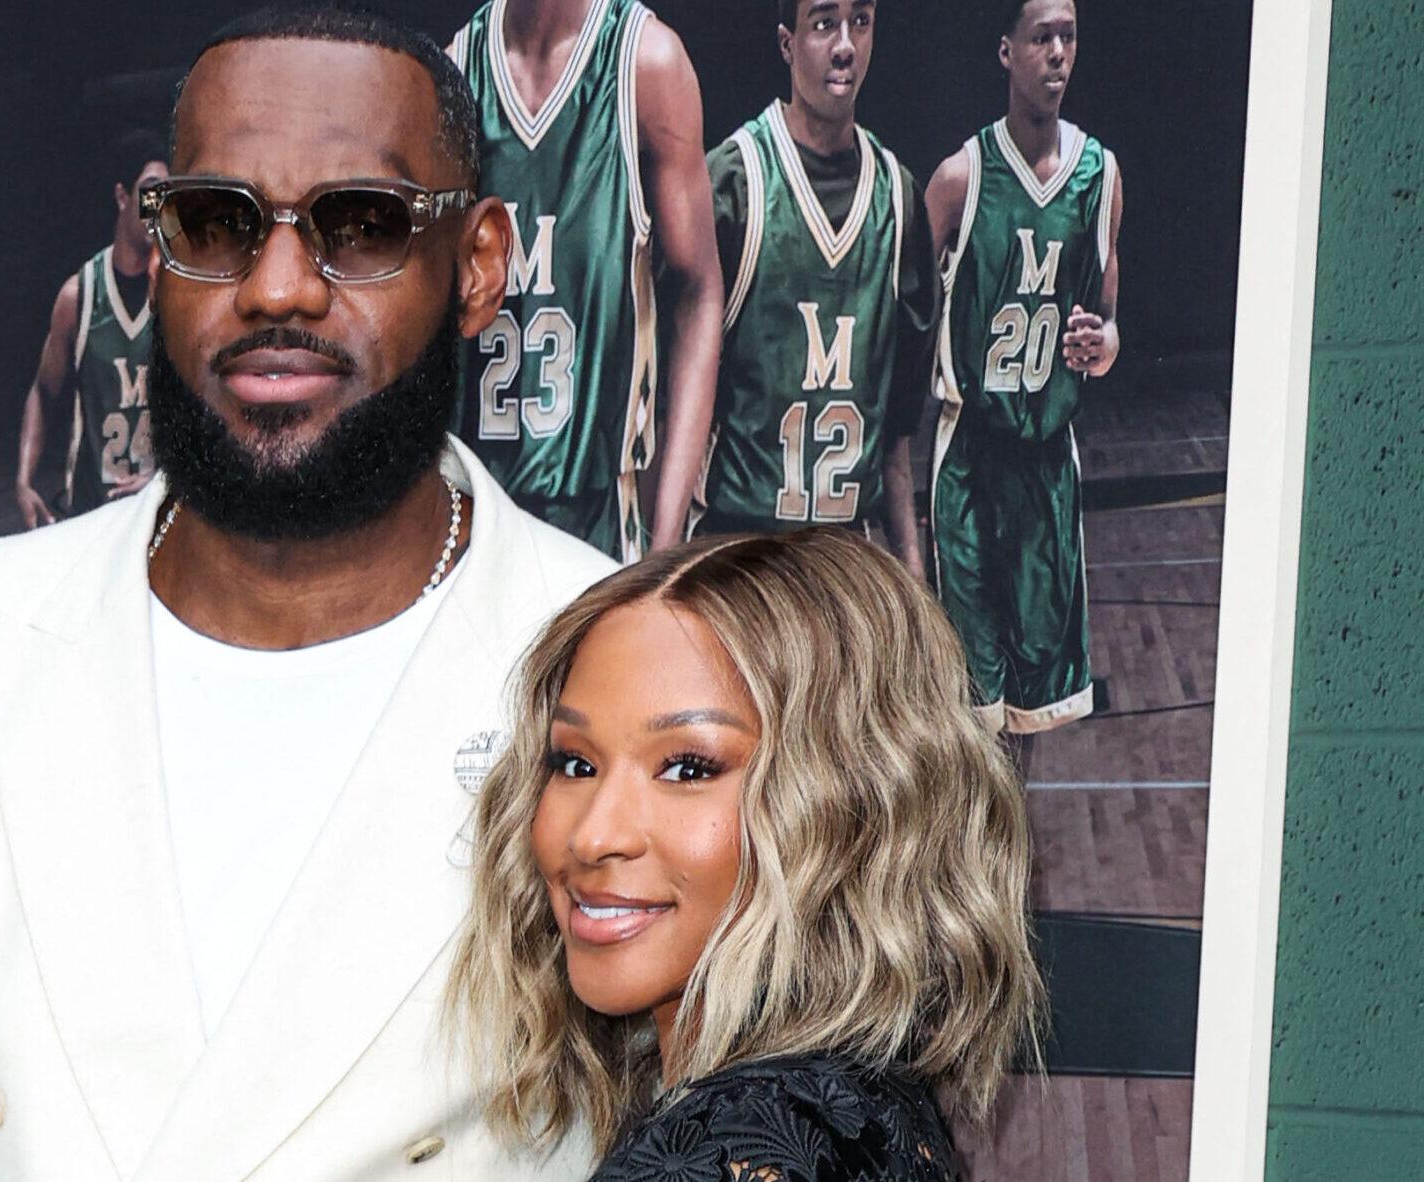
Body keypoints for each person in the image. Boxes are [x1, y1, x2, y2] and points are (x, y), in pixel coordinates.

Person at [0, 7, 612, 1178]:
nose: (279, 287)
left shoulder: (624, 669)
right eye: (217, 222)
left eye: (360, 226)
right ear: (156, 252)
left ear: (480, 264)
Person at [448, 528, 1042, 1180]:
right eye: (575, 762)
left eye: (687, 769)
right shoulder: (854, 1105)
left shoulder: (722, 1148)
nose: (593, 836)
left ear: (848, 806)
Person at [446, 0, 724, 561]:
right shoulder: (457, 69)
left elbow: (700, 292)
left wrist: (665, 540)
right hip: (474, 516)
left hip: (598, 520)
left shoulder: (645, 63)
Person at [924, 0, 1123, 739]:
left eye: (1069, 36)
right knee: (971, 708)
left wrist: (1100, 345)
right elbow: (908, 309)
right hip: (972, 458)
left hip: (1047, 463)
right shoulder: (959, 178)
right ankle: (973, 852)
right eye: (1042, 37)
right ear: (1006, 51)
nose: (1059, 53)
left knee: (1035, 709)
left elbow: (1109, 322)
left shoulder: (1100, 175)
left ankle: (1009, 852)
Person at [687, 0, 935, 571]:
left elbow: (896, 442)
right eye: (824, 24)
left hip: (846, 559)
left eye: (862, 22)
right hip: (737, 554)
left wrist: (915, 578)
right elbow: (673, 405)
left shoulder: (898, 200)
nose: (845, 44)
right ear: (786, 43)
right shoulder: (733, 181)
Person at [14, 130, 168, 529]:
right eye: (150, 194)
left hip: (157, 513)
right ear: (122, 197)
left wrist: (167, 476)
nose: (158, 209)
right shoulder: (79, 296)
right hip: (90, 514)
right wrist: (24, 480)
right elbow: (43, 391)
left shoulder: (177, 292)